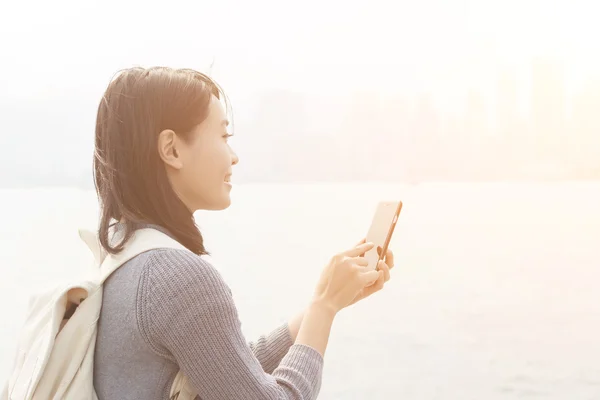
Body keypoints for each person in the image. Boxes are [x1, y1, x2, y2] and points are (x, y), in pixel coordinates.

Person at [92, 66, 394, 400]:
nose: (233, 157)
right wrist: (324, 308)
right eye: (223, 137)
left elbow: (228, 370)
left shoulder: (124, 255)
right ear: (172, 150)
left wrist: (327, 300)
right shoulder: (178, 278)